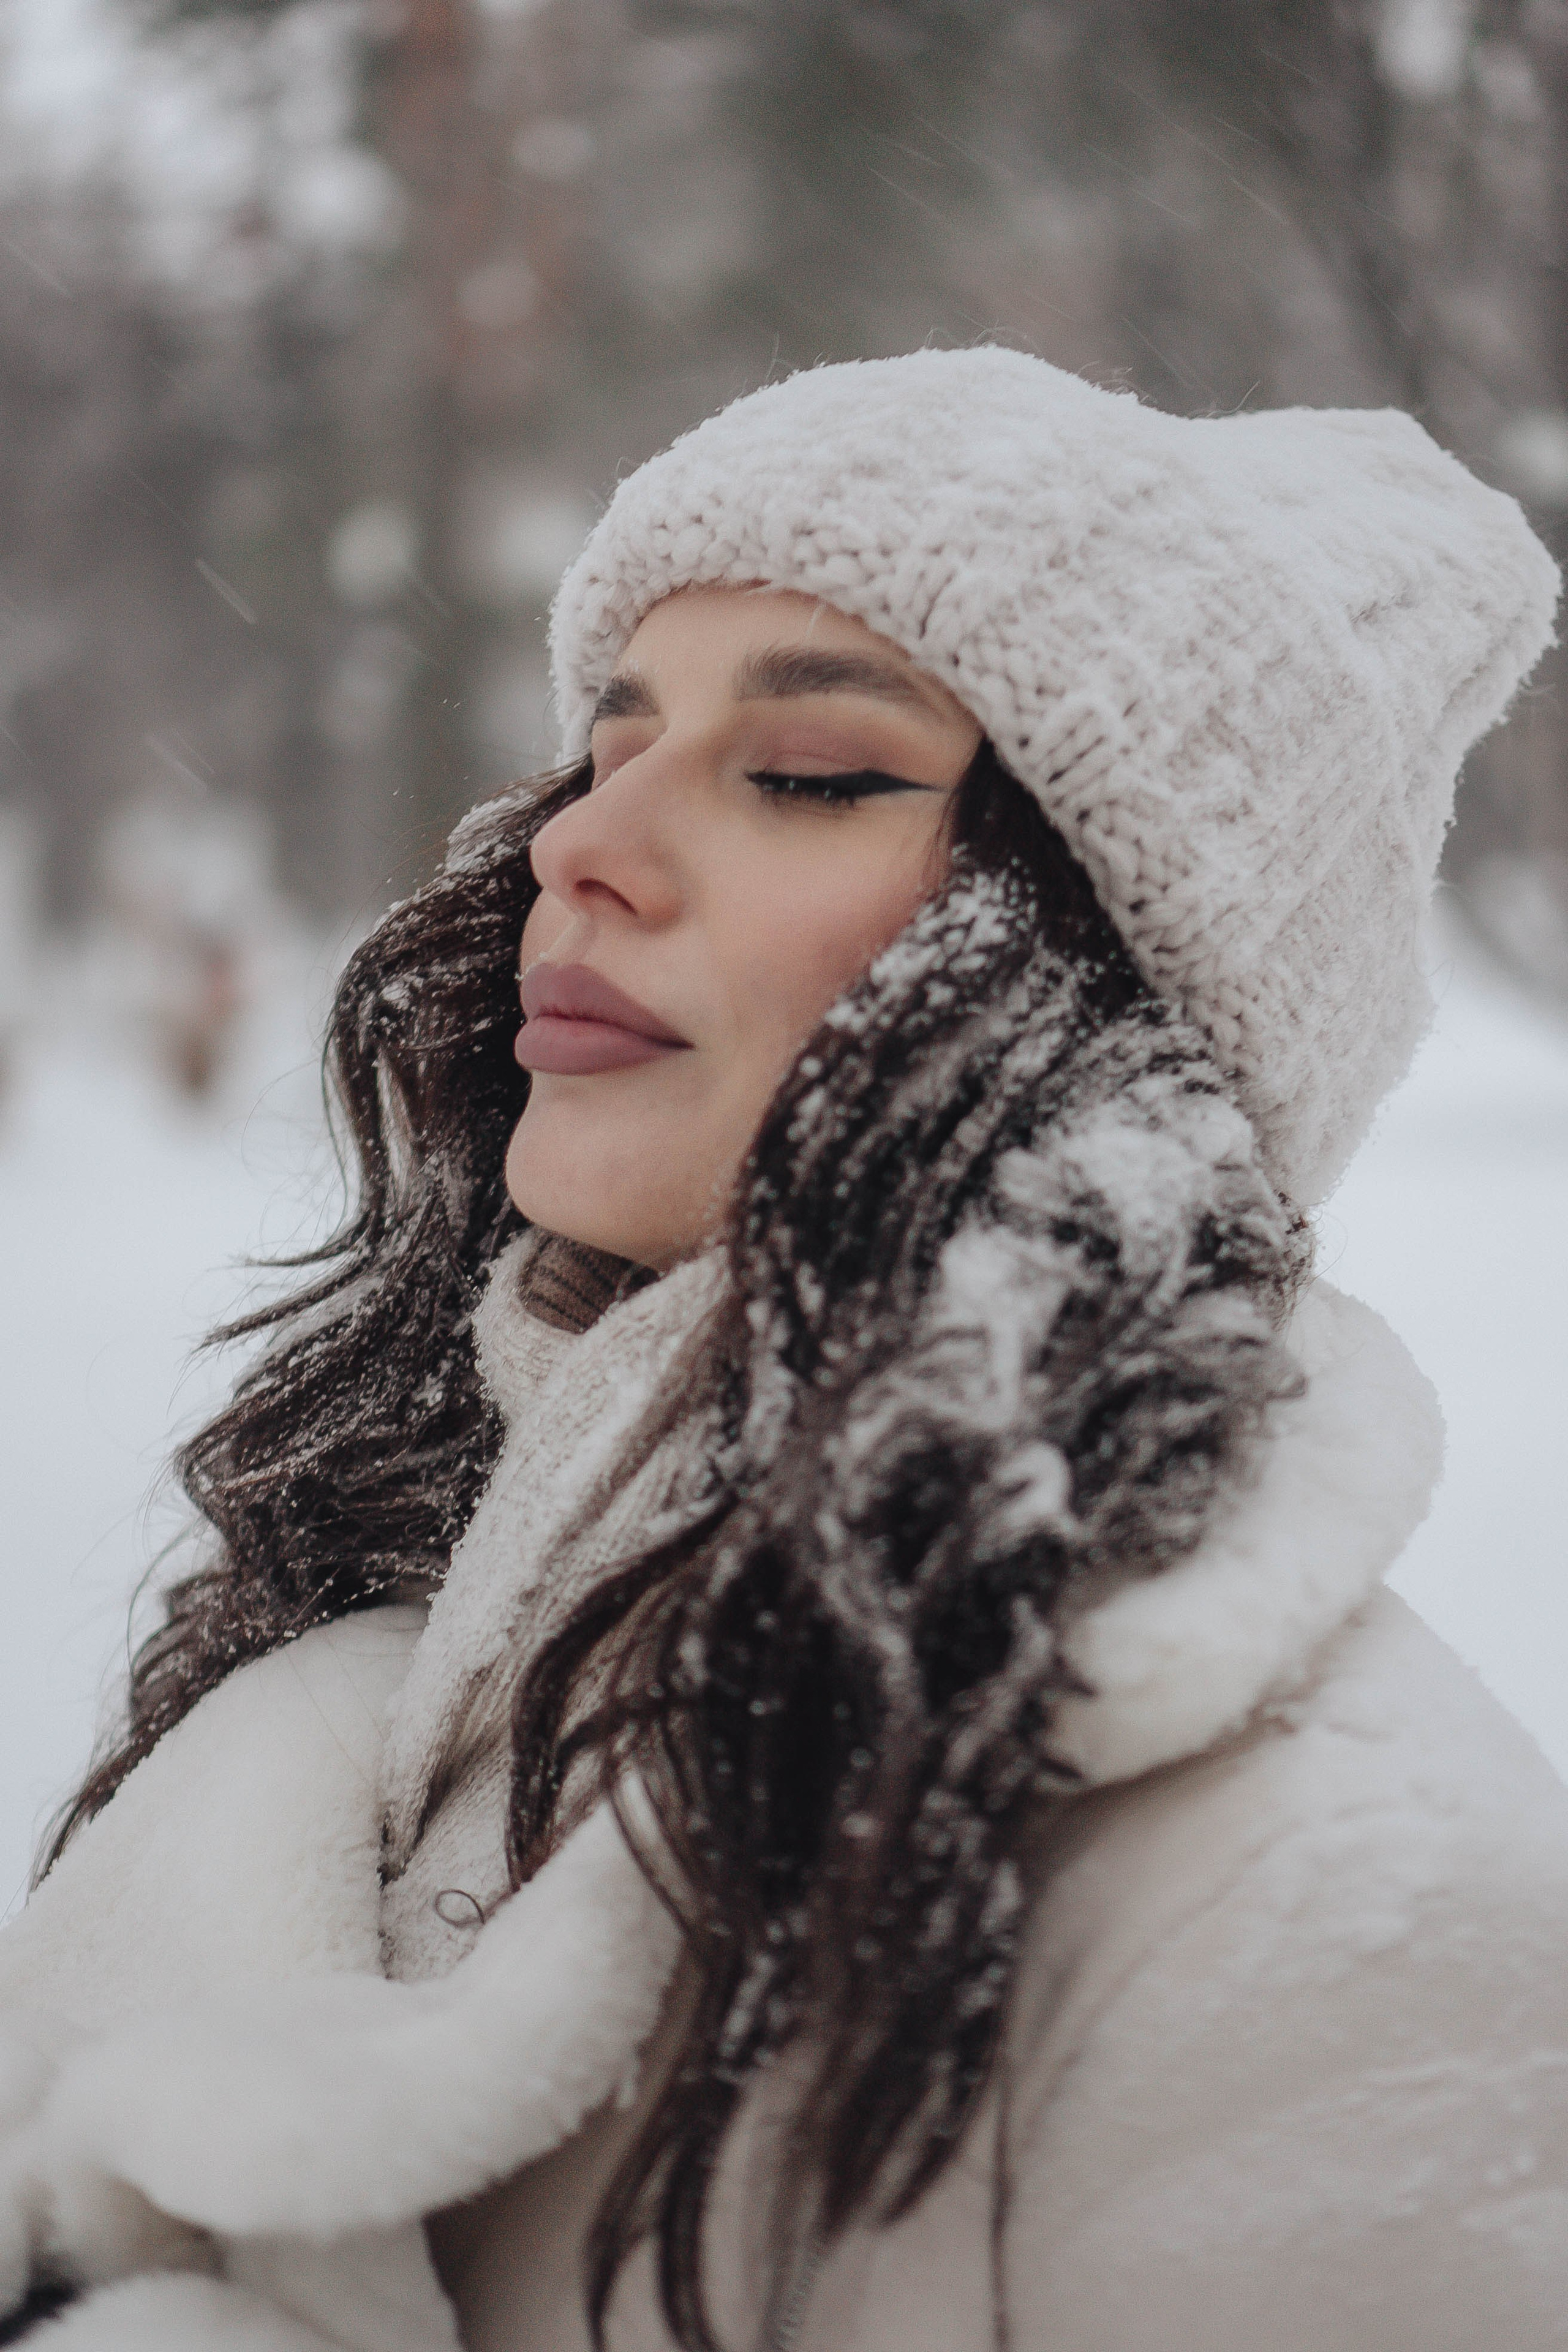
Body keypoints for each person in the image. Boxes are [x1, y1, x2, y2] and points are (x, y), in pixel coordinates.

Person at [0, 347, 1564, 2352]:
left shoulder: (1335, 1907)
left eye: (812, 773)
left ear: (1101, 976)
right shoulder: (401, 1666)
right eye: (609, 743)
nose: (581, 843)